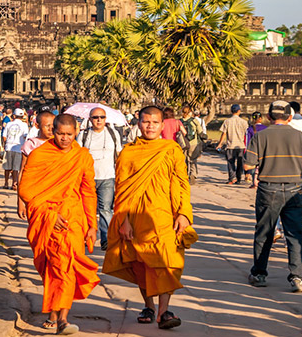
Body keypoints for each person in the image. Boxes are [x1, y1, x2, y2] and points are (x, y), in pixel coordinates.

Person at [103, 106, 196, 330]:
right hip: (137, 217)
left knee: (167, 263)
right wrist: (123, 219)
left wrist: (184, 212)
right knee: (142, 264)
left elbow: (182, 183)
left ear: (163, 125)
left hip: (165, 216)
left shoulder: (171, 149)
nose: (150, 126)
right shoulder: (128, 152)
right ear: (138, 123)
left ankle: (164, 312)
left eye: (155, 122)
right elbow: (122, 187)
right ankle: (149, 306)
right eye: (146, 122)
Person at [17, 114, 99, 334]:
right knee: (51, 267)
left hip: (73, 217)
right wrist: (48, 213)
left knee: (66, 265)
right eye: (60, 133)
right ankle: (54, 312)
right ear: (52, 131)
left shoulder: (82, 156)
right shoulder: (39, 154)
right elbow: (25, 188)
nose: (64, 138)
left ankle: (62, 318)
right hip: (47, 217)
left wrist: (92, 224)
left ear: (76, 133)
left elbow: (88, 191)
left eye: (69, 135)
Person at [243, 100, 302, 292]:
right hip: (295, 188)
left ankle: (259, 273)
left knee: (264, 233)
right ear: (290, 117)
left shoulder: (261, 136)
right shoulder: (299, 137)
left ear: (269, 117)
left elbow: (247, 165)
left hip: (268, 189)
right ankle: (298, 278)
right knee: (295, 235)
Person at [77, 107, 122, 251]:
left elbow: (119, 154)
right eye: (95, 117)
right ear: (90, 119)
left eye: (102, 117)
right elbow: (77, 156)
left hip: (107, 176)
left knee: (105, 209)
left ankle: (106, 239)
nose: (99, 120)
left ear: (105, 119)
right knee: (86, 210)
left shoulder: (112, 133)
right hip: (87, 177)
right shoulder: (83, 135)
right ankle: (87, 236)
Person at [217, 104, 249, 184]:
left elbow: (224, 133)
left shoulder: (227, 121)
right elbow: (247, 134)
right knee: (240, 163)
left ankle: (232, 178)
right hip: (241, 145)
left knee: (230, 162)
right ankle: (238, 178)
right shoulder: (244, 122)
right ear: (239, 111)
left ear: (231, 111)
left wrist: (220, 144)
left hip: (230, 145)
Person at [2, 108, 29, 189]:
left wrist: (6, 144)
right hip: (18, 148)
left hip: (9, 147)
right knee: (16, 168)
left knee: (7, 167)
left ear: (14, 115)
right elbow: (26, 137)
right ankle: (15, 183)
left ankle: (6, 183)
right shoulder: (24, 125)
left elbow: (4, 136)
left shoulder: (9, 124)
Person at [244, 111, 268, 189]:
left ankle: (255, 182)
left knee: (254, 166)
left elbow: (247, 141)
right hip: (264, 149)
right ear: (261, 119)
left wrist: (246, 151)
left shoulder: (250, 129)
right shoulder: (266, 128)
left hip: (254, 150)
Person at [181, 106, 202, 181]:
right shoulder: (194, 121)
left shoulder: (180, 121)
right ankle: (193, 174)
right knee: (193, 159)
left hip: (183, 143)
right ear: (189, 112)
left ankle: (184, 174)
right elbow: (200, 131)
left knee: (184, 160)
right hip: (193, 142)